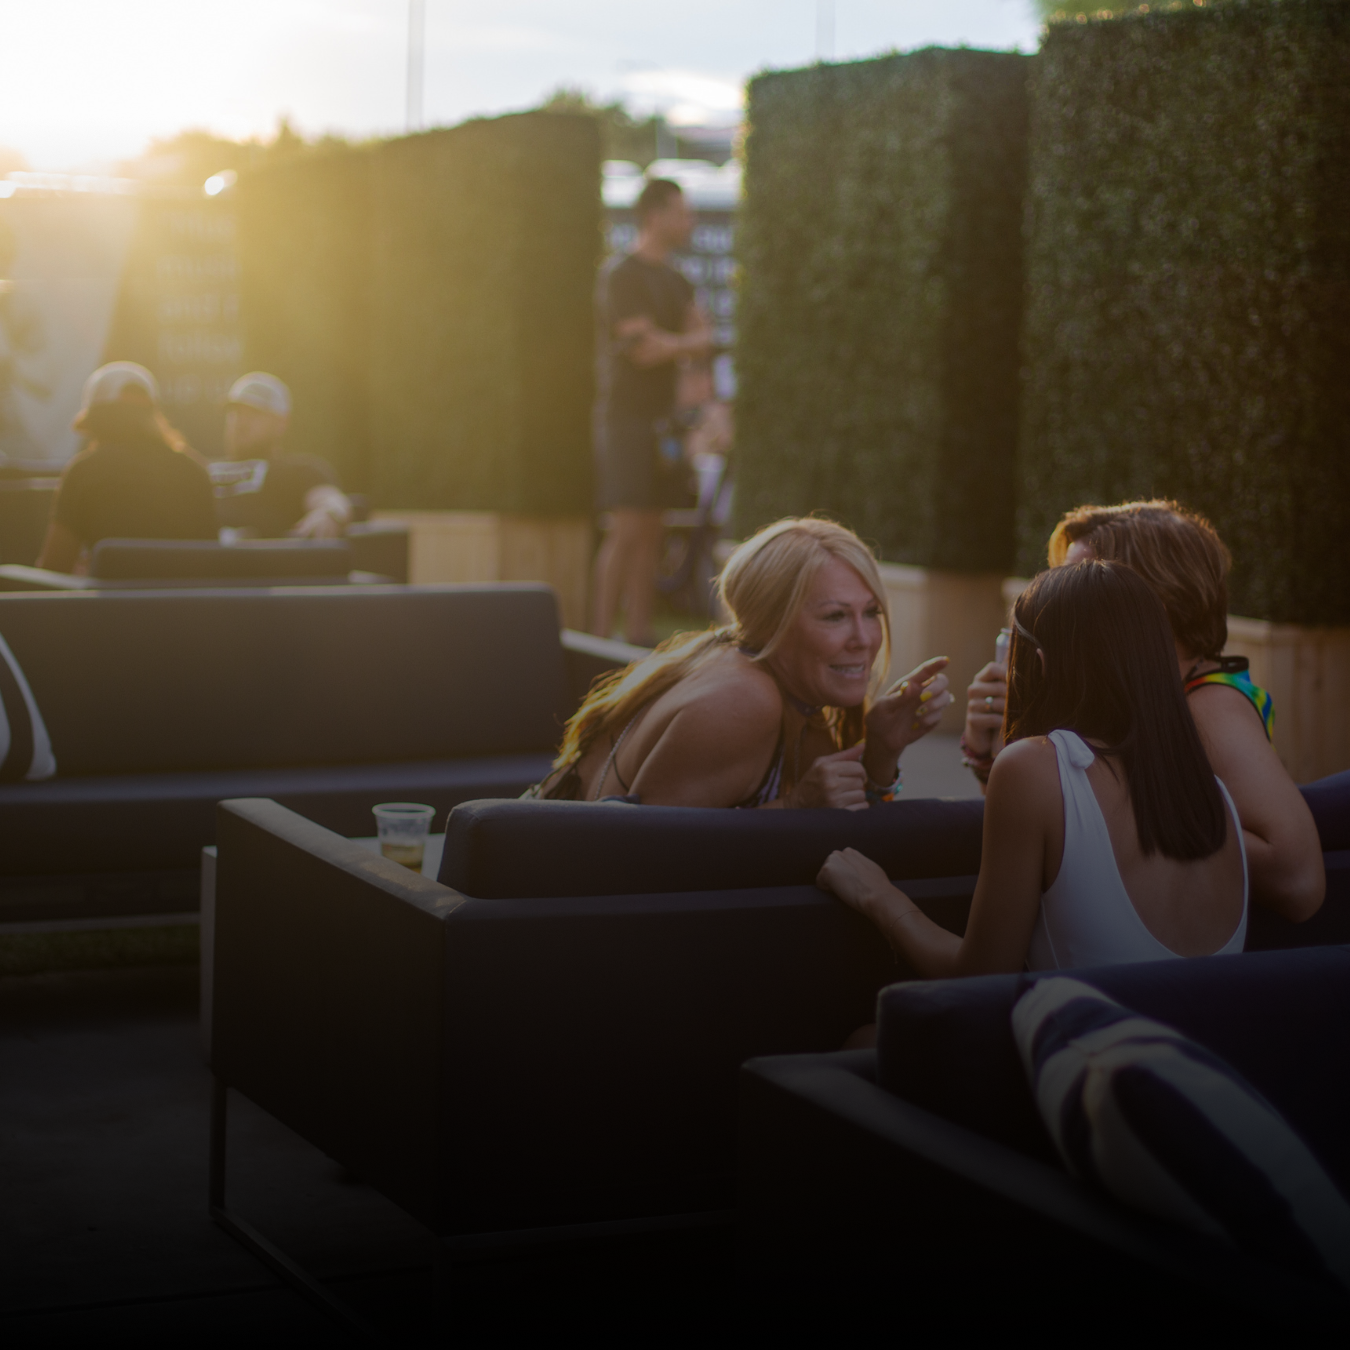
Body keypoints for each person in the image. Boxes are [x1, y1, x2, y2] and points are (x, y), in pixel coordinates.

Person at [819, 561, 1248, 986]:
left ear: (1039, 664)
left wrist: (877, 894)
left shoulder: (1033, 767)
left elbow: (979, 977)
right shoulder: (1216, 793)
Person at [961, 500, 1323, 922]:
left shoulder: (1210, 706)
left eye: (1086, 584)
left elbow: (1298, 881)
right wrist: (992, 753)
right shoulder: (1144, 700)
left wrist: (1128, 808)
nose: (1061, 610)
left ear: (1153, 602)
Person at [529, 517, 953, 808]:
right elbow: (646, 863)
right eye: (835, 616)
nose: (864, 640)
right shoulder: (744, 700)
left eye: (871, 612)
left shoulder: (788, 688)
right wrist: (797, 806)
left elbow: (848, 834)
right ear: (772, 624)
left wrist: (881, 751)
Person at [591, 178, 714, 646]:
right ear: (655, 214)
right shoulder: (621, 275)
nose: (690, 221)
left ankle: (638, 637)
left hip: (666, 422)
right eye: (682, 212)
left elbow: (703, 337)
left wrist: (675, 344)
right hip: (625, 419)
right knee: (624, 528)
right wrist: (682, 343)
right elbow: (642, 348)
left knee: (652, 528)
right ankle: (598, 639)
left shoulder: (678, 280)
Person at [37, 362, 217, 572]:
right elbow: (210, 562)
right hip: (183, 605)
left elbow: (54, 567)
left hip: (106, 605)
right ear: (152, 416)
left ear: (96, 420)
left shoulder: (83, 472)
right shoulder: (194, 470)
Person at [212, 372, 352, 539]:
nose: (241, 422)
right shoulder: (199, 468)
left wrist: (329, 514)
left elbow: (330, 501)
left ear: (281, 423)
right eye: (235, 413)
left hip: (259, 559)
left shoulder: (300, 470)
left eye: (254, 414)